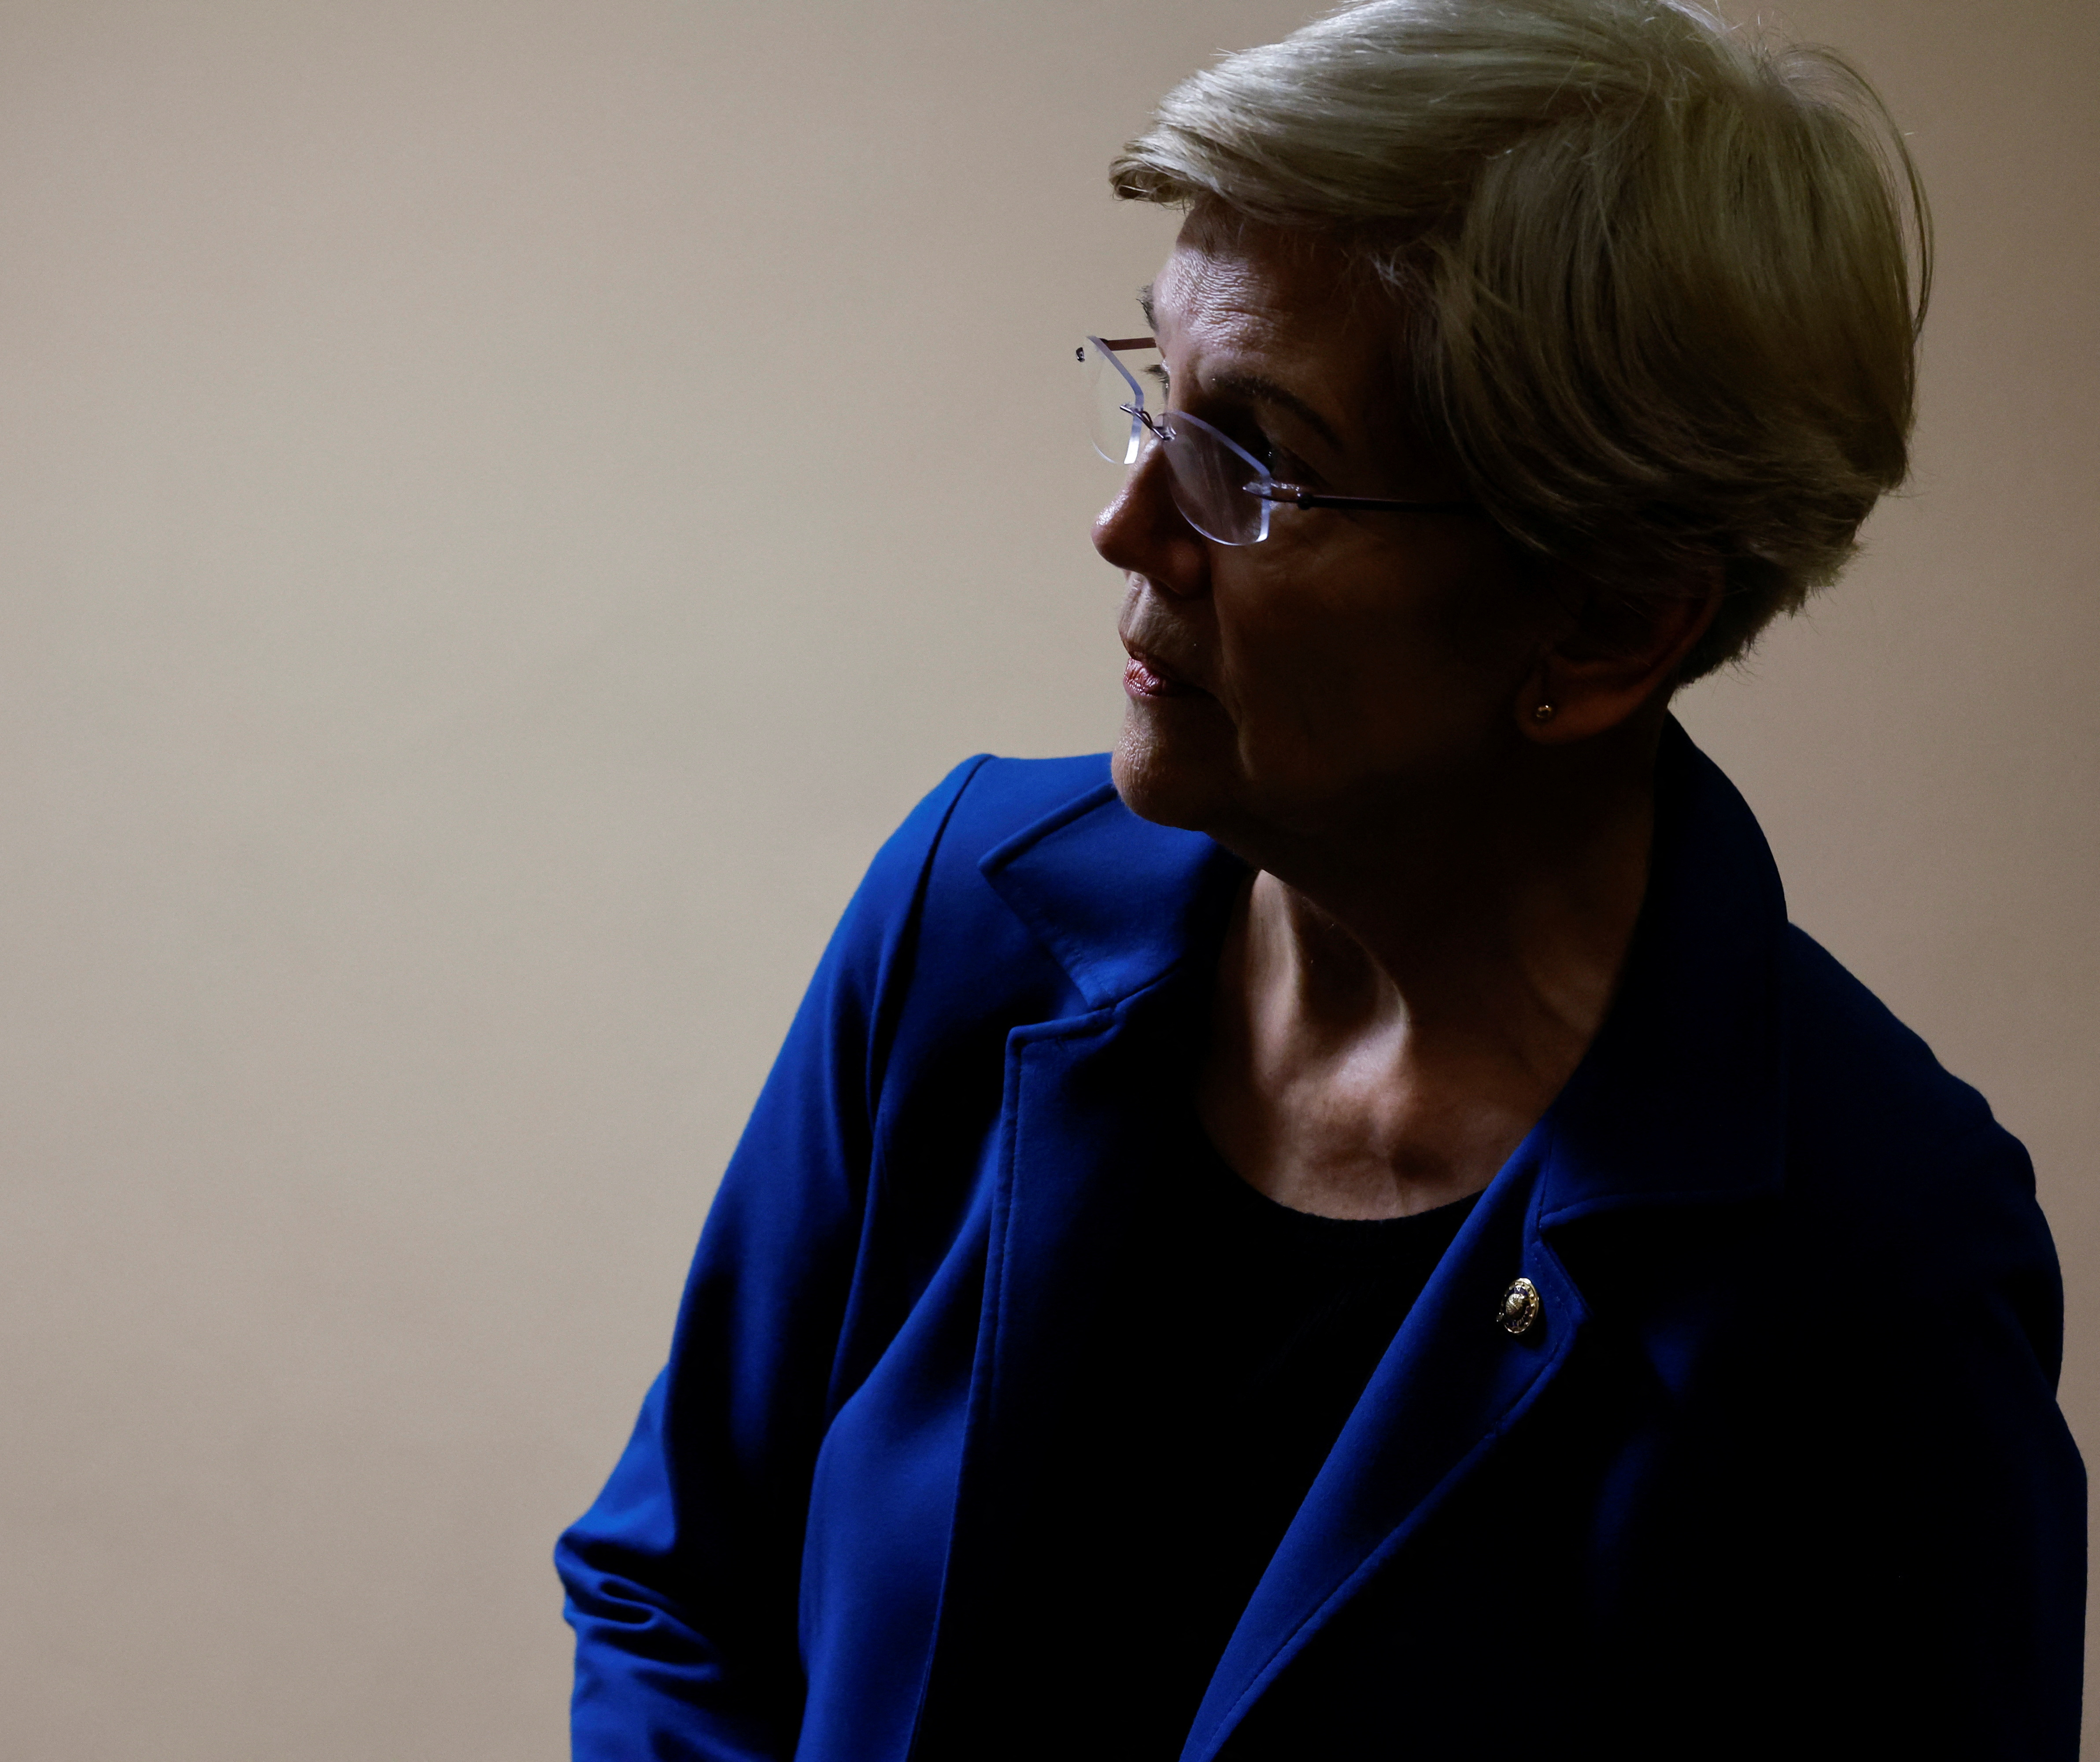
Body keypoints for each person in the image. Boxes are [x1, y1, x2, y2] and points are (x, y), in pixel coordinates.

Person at [555, 0, 2085, 1756]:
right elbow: (674, 1587)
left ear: (1604, 621)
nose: (1127, 525)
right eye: (1155, 395)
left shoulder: (1870, 1263)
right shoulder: (971, 908)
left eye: (1251, 461)